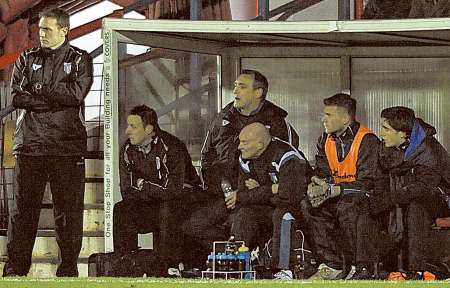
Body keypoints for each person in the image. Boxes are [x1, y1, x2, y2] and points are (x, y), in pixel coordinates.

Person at [3, 8, 93, 277]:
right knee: (22, 213)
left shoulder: (80, 59)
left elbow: (76, 94)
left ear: (64, 31)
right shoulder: (26, 58)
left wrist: (40, 90)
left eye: (47, 29)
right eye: (40, 29)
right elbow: (18, 96)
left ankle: (67, 271)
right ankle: (15, 271)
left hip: (66, 148)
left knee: (68, 214)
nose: (41, 34)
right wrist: (54, 96)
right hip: (30, 147)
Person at [182, 70, 299, 259]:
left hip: (256, 197)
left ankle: (244, 258)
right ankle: (237, 254)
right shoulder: (223, 116)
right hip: (222, 194)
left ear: (258, 92)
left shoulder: (275, 120)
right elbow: (207, 154)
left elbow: (288, 162)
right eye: (235, 85)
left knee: (242, 222)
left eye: (242, 86)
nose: (236, 90)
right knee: (193, 225)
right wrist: (214, 183)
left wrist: (261, 188)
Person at [113, 105, 201, 276]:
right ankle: (125, 264)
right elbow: (127, 189)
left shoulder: (172, 147)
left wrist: (142, 185)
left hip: (184, 205)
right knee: (121, 209)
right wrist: (149, 190)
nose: (127, 131)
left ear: (149, 129)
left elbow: (174, 191)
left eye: (133, 126)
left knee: (168, 208)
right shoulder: (127, 149)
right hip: (153, 203)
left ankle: (168, 268)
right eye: (128, 125)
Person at [304, 93, 381, 280]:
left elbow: (368, 183)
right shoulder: (325, 139)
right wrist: (316, 184)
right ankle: (332, 265)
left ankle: (360, 268)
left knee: (350, 206)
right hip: (336, 195)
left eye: (328, 115)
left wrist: (336, 189)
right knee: (308, 206)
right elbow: (322, 170)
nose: (323, 119)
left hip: (363, 197)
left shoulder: (367, 140)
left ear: (346, 118)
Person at [372, 106, 450, 280]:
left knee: (416, 206)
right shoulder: (389, 148)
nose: (381, 133)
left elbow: (424, 187)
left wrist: (390, 198)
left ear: (403, 134)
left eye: (386, 129)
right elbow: (381, 179)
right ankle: (371, 267)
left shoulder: (429, 150)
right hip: (407, 196)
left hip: (440, 202)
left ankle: (418, 269)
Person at [227, 122, 311, 279]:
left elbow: (289, 195)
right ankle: (238, 264)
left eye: (244, 142)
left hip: (300, 208)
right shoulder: (245, 158)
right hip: (270, 204)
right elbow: (244, 195)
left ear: (259, 144)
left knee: (282, 214)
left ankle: (283, 269)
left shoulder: (287, 156)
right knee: (244, 213)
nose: (239, 147)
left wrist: (261, 190)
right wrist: (272, 188)